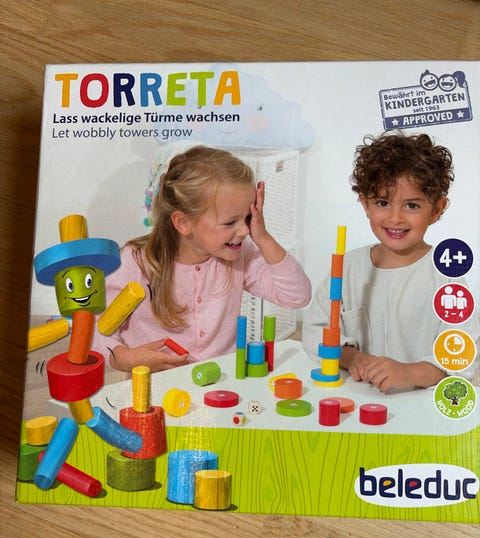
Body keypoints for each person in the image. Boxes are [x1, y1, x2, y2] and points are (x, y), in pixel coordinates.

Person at [93, 145, 311, 372]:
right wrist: (124, 357)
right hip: (156, 385)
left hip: (221, 383)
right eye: (230, 222)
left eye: (248, 218)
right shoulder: (134, 263)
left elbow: (297, 296)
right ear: (183, 222)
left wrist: (264, 238)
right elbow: (96, 329)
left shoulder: (239, 255)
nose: (245, 230)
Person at [302, 131, 479, 393]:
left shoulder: (447, 276)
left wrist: (409, 373)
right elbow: (315, 330)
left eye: (412, 206)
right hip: (358, 400)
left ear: (436, 209)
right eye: (382, 202)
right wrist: (354, 358)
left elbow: (463, 355)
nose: (395, 218)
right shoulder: (348, 267)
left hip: (419, 404)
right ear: (365, 204)